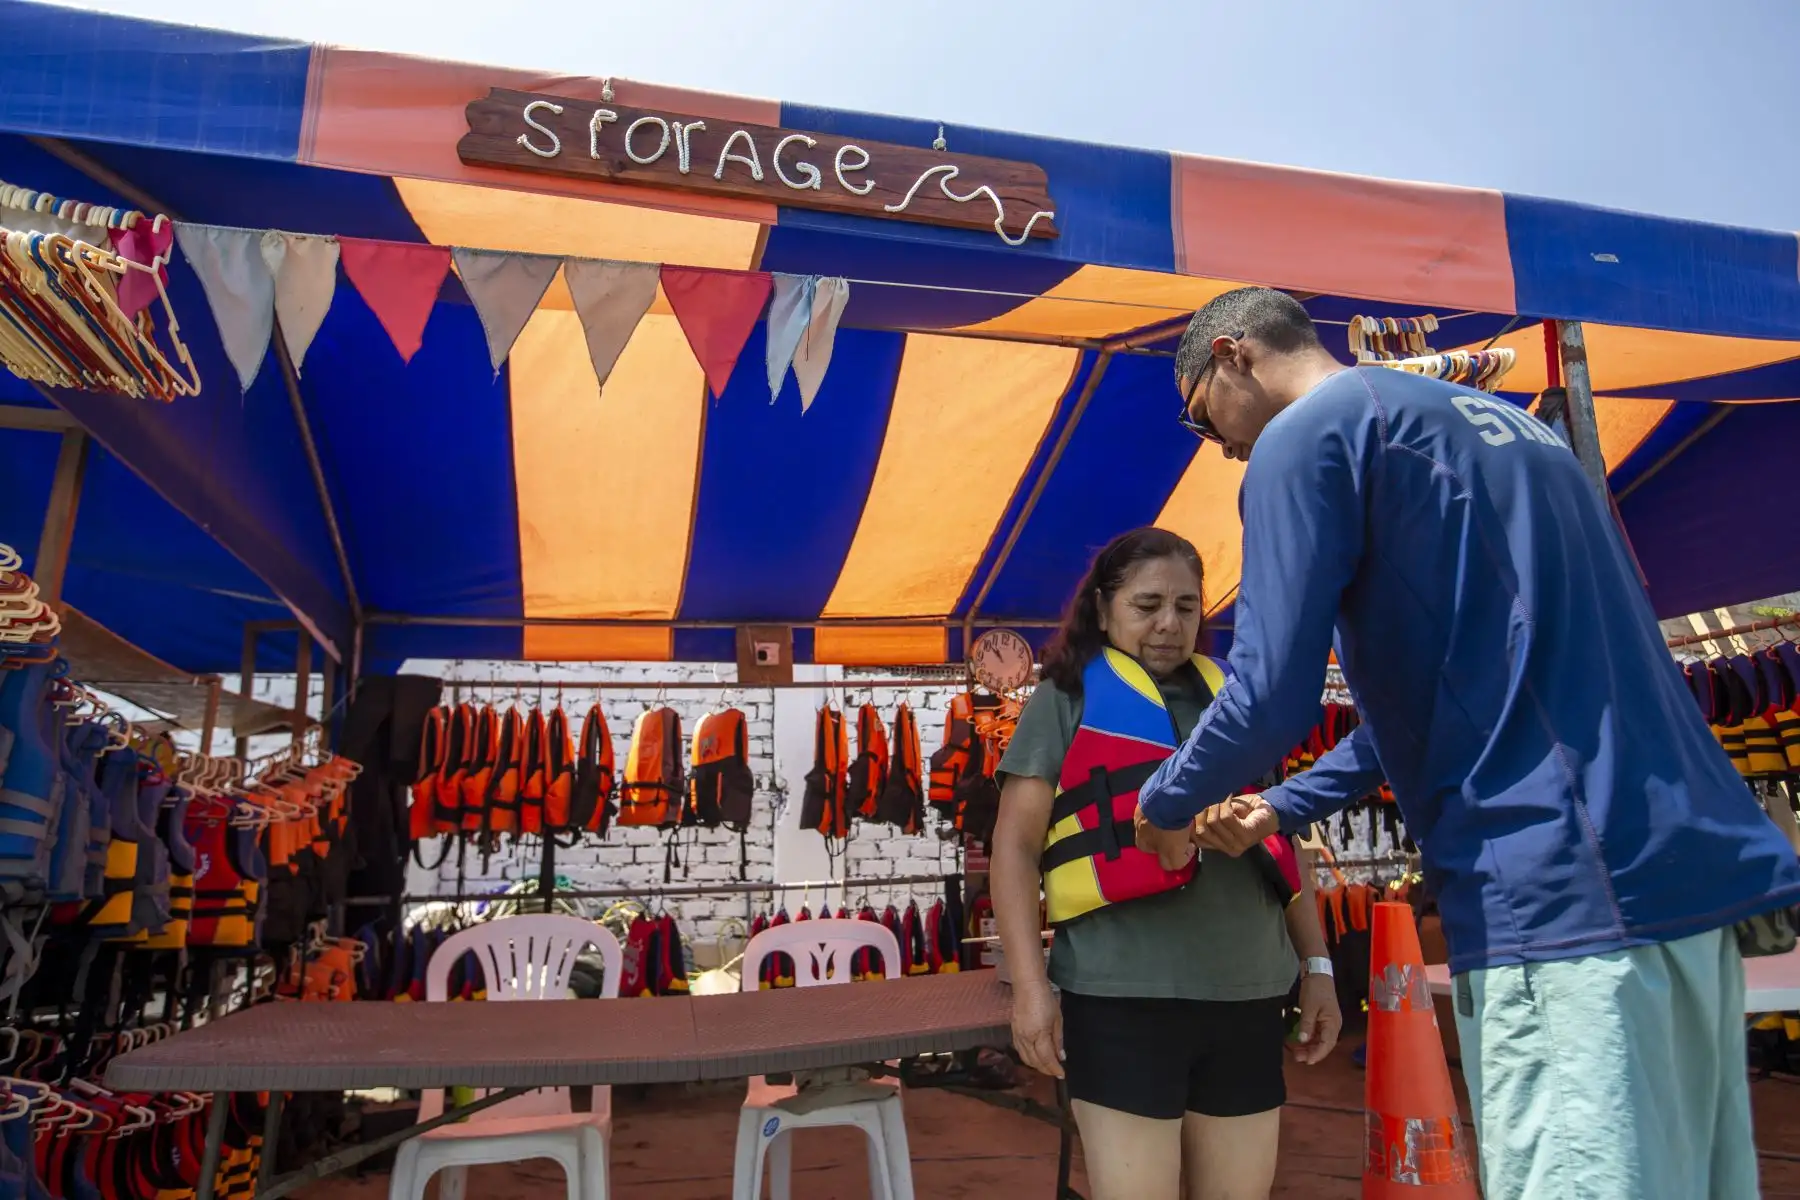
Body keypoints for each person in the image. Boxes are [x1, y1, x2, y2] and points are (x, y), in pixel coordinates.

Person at [1131, 285, 1800, 1200]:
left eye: (1209, 425)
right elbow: (1460, 690)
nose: (1229, 448)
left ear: (1235, 354)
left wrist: (1160, 806)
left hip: (1560, 888)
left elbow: (1267, 697)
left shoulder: (1307, 438)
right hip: (1679, 879)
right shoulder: (1505, 425)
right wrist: (1282, 806)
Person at [990, 526, 1341, 1200]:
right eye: (1147, 605)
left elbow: (1285, 843)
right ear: (1102, 609)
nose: (1168, 625)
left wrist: (1317, 967)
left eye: (1186, 606)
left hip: (1246, 997)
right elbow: (1014, 848)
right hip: (1122, 1003)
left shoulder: (1237, 705)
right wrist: (1032, 992)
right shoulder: (1065, 702)